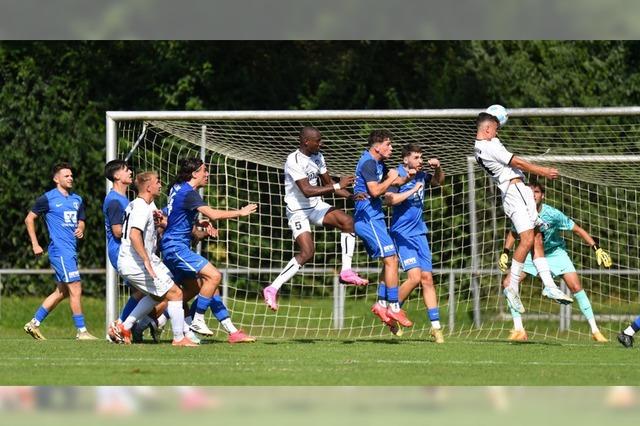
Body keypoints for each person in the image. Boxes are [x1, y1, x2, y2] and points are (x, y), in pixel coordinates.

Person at [474, 112, 573, 317]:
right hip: (515, 192)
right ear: (486, 129)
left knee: (537, 237)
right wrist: (543, 171)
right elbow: (517, 162)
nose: (497, 130)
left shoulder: (482, 146)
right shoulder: (490, 146)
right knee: (527, 240)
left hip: (519, 192)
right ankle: (512, 285)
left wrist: (496, 116)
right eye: (495, 127)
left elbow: (493, 129)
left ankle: (548, 285)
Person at [263, 126, 368, 311]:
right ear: (306, 142)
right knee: (308, 253)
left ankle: (346, 271)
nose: (321, 143)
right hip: (297, 211)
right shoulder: (293, 160)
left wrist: (350, 196)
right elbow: (307, 190)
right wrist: (337, 186)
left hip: (316, 206)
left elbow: (328, 184)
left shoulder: (318, 156)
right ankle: (272, 288)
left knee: (348, 222)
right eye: (318, 141)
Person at [499, 182, 612, 342]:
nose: (533, 195)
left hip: (556, 254)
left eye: (536, 192)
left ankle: (595, 331)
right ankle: (519, 330)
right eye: (530, 192)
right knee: (508, 283)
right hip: (533, 255)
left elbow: (578, 230)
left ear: (542, 195)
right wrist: (505, 252)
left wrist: (597, 248)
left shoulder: (553, 214)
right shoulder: (522, 213)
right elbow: (513, 232)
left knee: (576, 287)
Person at [160, 157, 257, 342]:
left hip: (174, 246)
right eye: (204, 170)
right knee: (213, 276)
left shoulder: (178, 188)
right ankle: (195, 320)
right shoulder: (189, 192)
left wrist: (197, 222)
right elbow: (213, 214)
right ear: (195, 173)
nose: (207, 174)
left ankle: (230, 331)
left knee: (208, 287)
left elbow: (174, 213)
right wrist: (240, 212)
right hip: (176, 247)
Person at [109, 171, 197, 346]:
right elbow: (134, 236)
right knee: (176, 293)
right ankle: (179, 338)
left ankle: (124, 327)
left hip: (139, 260)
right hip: (135, 262)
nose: (160, 184)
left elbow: (151, 228)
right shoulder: (141, 207)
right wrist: (147, 261)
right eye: (158, 182)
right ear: (148, 187)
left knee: (159, 296)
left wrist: (158, 224)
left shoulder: (145, 205)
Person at [23, 162, 97, 340]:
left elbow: (81, 220)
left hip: (70, 250)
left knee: (62, 292)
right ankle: (82, 331)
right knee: (76, 287)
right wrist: (35, 244)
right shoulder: (47, 198)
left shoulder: (77, 199)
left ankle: (33, 323)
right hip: (60, 250)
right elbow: (29, 219)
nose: (70, 178)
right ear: (56, 179)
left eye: (71, 175)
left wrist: (81, 228)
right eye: (66, 175)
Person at [384, 143, 445, 342]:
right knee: (415, 277)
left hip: (420, 234)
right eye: (416, 158)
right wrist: (412, 190)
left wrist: (437, 168)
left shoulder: (421, 175)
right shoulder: (396, 175)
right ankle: (391, 310)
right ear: (405, 160)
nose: (420, 161)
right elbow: (390, 200)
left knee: (427, 279)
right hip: (401, 234)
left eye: (421, 157)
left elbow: (438, 182)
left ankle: (436, 327)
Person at [354, 129, 413, 328]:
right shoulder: (368, 162)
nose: (391, 148)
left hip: (375, 218)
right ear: (377, 146)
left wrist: (412, 174)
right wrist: (391, 178)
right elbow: (375, 190)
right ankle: (394, 307)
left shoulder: (379, 163)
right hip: (367, 218)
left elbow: (395, 180)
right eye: (388, 144)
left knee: (391, 259)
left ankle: (381, 304)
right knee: (391, 259)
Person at [103, 160, 146, 332]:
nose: (130, 172)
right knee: (146, 290)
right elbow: (117, 231)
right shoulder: (114, 200)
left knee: (141, 292)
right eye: (126, 169)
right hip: (119, 252)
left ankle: (128, 327)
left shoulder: (123, 199)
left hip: (126, 251)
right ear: (116, 176)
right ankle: (121, 326)